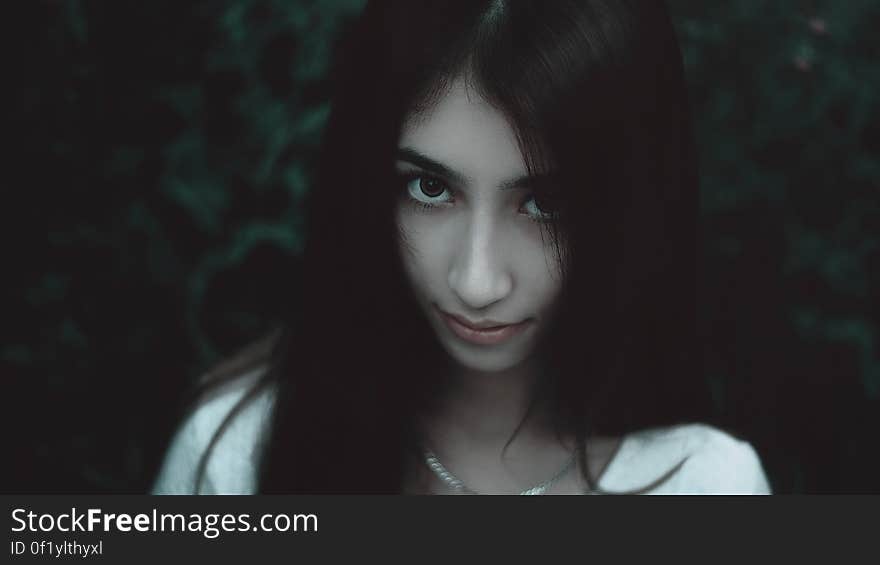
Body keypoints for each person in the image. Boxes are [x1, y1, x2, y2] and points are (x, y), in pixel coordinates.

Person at [152, 0, 771, 495]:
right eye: (429, 187)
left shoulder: (706, 484)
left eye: (545, 203)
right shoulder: (240, 456)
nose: (476, 282)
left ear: (630, 206)